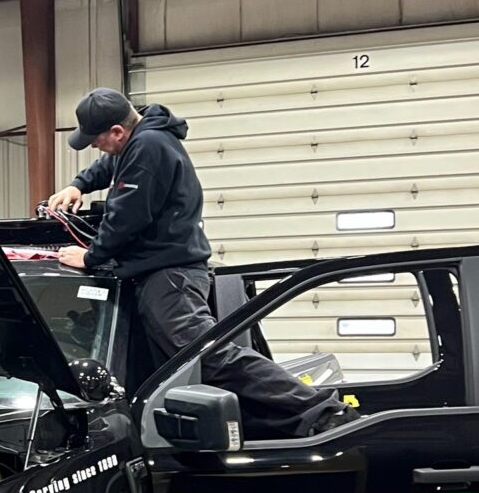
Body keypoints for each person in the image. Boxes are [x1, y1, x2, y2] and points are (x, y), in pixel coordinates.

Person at [49, 87, 357, 439]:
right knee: (186, 366)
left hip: (170, 275)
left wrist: (90, 257)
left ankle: (321, 411)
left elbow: (127, 217)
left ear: (118, 131)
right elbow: (111, 165)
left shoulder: (149, 147)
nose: (93, 146)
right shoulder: (141, 139)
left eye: (96, 139)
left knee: (208, 356)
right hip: (161, 271)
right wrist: (79, 185)